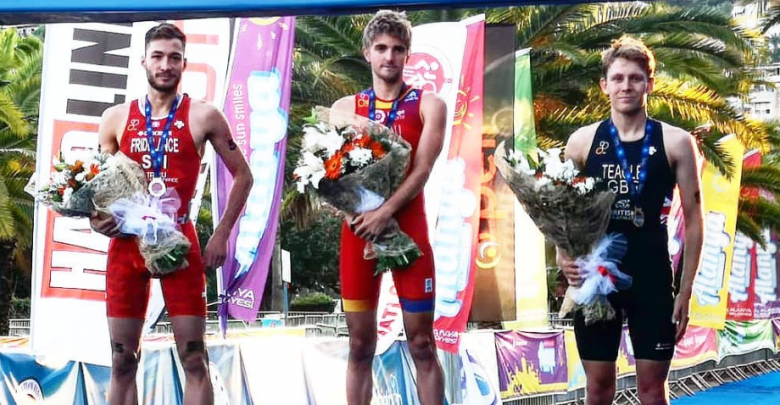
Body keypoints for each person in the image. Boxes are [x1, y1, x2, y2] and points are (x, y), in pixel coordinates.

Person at [90, 23, 252, 405]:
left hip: (180, 245)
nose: (165, 65)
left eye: (174, 57)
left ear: (184, 63)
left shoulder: (204, 116)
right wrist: (97, 219)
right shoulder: (115, 118)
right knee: (121, 359)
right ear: (143, 60)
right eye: (158, 56)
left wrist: (221, 235)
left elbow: (244, 175)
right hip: (128, 245)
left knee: (194, 356)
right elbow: (96, 188)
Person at [558, 35, 703, 405]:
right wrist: (563, 256)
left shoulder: (676, 142)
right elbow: (562, 208)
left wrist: (685, 292)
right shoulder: (581, 142)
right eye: (618, 78)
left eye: (635, 78)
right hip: (596, 276)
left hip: (652, 275)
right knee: (598, 388)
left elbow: (694, 218)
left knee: (652, 390)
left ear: (649, 84)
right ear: (604, 85)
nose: (626, 86)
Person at [330, 10, 447, 405]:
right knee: (360, 345)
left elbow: (424, 169)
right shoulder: (346, 106)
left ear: (408, 55)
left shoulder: (429, 104)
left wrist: (386, 213)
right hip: (358, 233)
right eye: (381, 48)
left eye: (398, 49)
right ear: (367, 53)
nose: (389, 57)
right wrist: (358, 216)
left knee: (422, 343)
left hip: (409, 231)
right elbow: (333, 176)